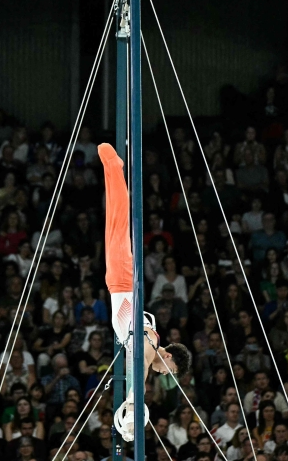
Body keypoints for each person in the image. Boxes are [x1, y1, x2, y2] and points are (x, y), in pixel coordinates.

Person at [99, 144, 192, 442]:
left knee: (116, 219)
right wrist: (133, 403)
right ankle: (114, 166)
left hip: (119, 283)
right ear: (167, 356)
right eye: (170, 370)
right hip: (123, 280)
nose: (166, 375)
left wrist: (132, 404)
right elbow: (139, 373)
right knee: (119, 217)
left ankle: (114, 168)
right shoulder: (151, 344)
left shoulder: (150, 343)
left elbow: (137, 372)